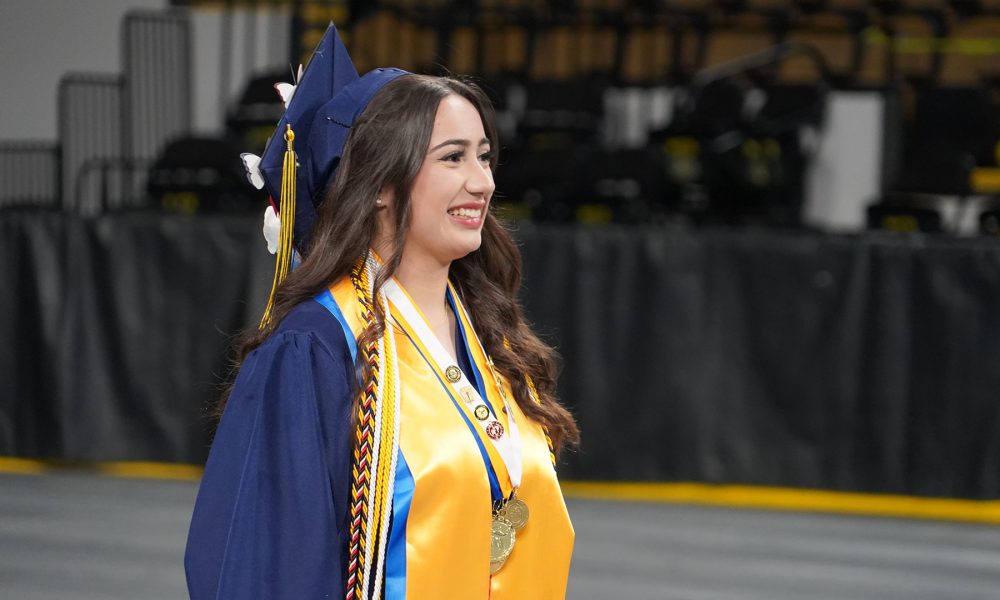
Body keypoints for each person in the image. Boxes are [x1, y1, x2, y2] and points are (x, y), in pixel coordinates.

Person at [185, 24, 579, 600]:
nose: (483, 182)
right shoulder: (316, 348)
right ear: (379, 186)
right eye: (453, 158)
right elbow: (267, 569)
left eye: (485, 157)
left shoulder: (488, 337)